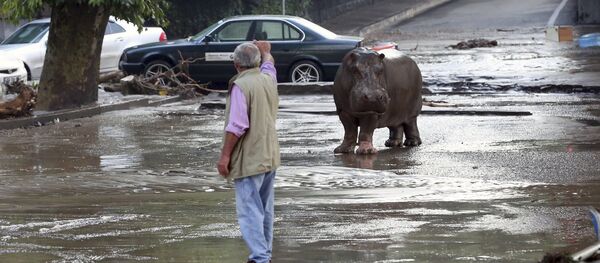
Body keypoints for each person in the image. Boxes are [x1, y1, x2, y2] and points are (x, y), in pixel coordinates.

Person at [217, 40, 280, 263]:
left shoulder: (240, 86)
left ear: (236, 64)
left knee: (249, 210)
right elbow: (269, 65)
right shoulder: (268, 79)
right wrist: (266, 53)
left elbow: (237, 126)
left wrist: (225, 156)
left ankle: (260, 257)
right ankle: (264, 255)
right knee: (264, 209)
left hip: (250, 159)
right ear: (256, 62)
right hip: (270, 155)